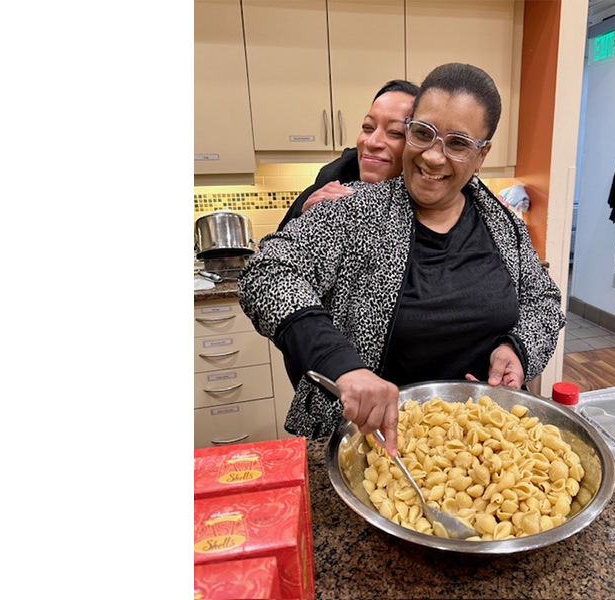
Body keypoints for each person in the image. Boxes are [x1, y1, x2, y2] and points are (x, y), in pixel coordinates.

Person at [240, 63, 564, 457]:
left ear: (482, 155)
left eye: (458, 143)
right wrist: (342, 365)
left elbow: (542, 300)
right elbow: (265, 274)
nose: (432, 157)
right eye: (422, 133)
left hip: (487, 446)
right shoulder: (354, 212)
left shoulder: (503, 227)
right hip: (373, 445)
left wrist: (517, 348)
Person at [276, 79, 420, 231]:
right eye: (368, 127)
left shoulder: (427, 206)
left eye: (395, 132)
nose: (371, 142)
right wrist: (305, 220)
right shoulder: (329, 187)